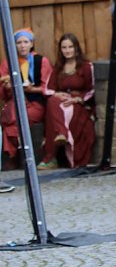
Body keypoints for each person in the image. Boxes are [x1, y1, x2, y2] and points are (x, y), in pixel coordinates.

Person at [39, 33, 96, 169]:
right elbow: (47, 89)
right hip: (61, 103)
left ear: (76, 48)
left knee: (57, 114)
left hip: (78, 104)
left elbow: (91, 89)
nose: (67, 50)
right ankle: (61, 134)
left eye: (70, 47)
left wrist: (78, 99)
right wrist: (57, 94)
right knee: (52, 101)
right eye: (64, 47)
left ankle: (53, 156)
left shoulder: (86, 67)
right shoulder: (58, 68)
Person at [0, 28, 51, 168]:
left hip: (35, 102)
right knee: (14, 118)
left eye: (25, 42)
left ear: (31, 44)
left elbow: (47, 87)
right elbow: (2, 93)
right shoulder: (8, 62)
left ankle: (11, 156)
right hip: (15, 102)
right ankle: (13, 157)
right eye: (19, 43)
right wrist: (7, 87)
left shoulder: (42, 61)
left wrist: (31, 89)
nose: (22, 45)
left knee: (14, 122)